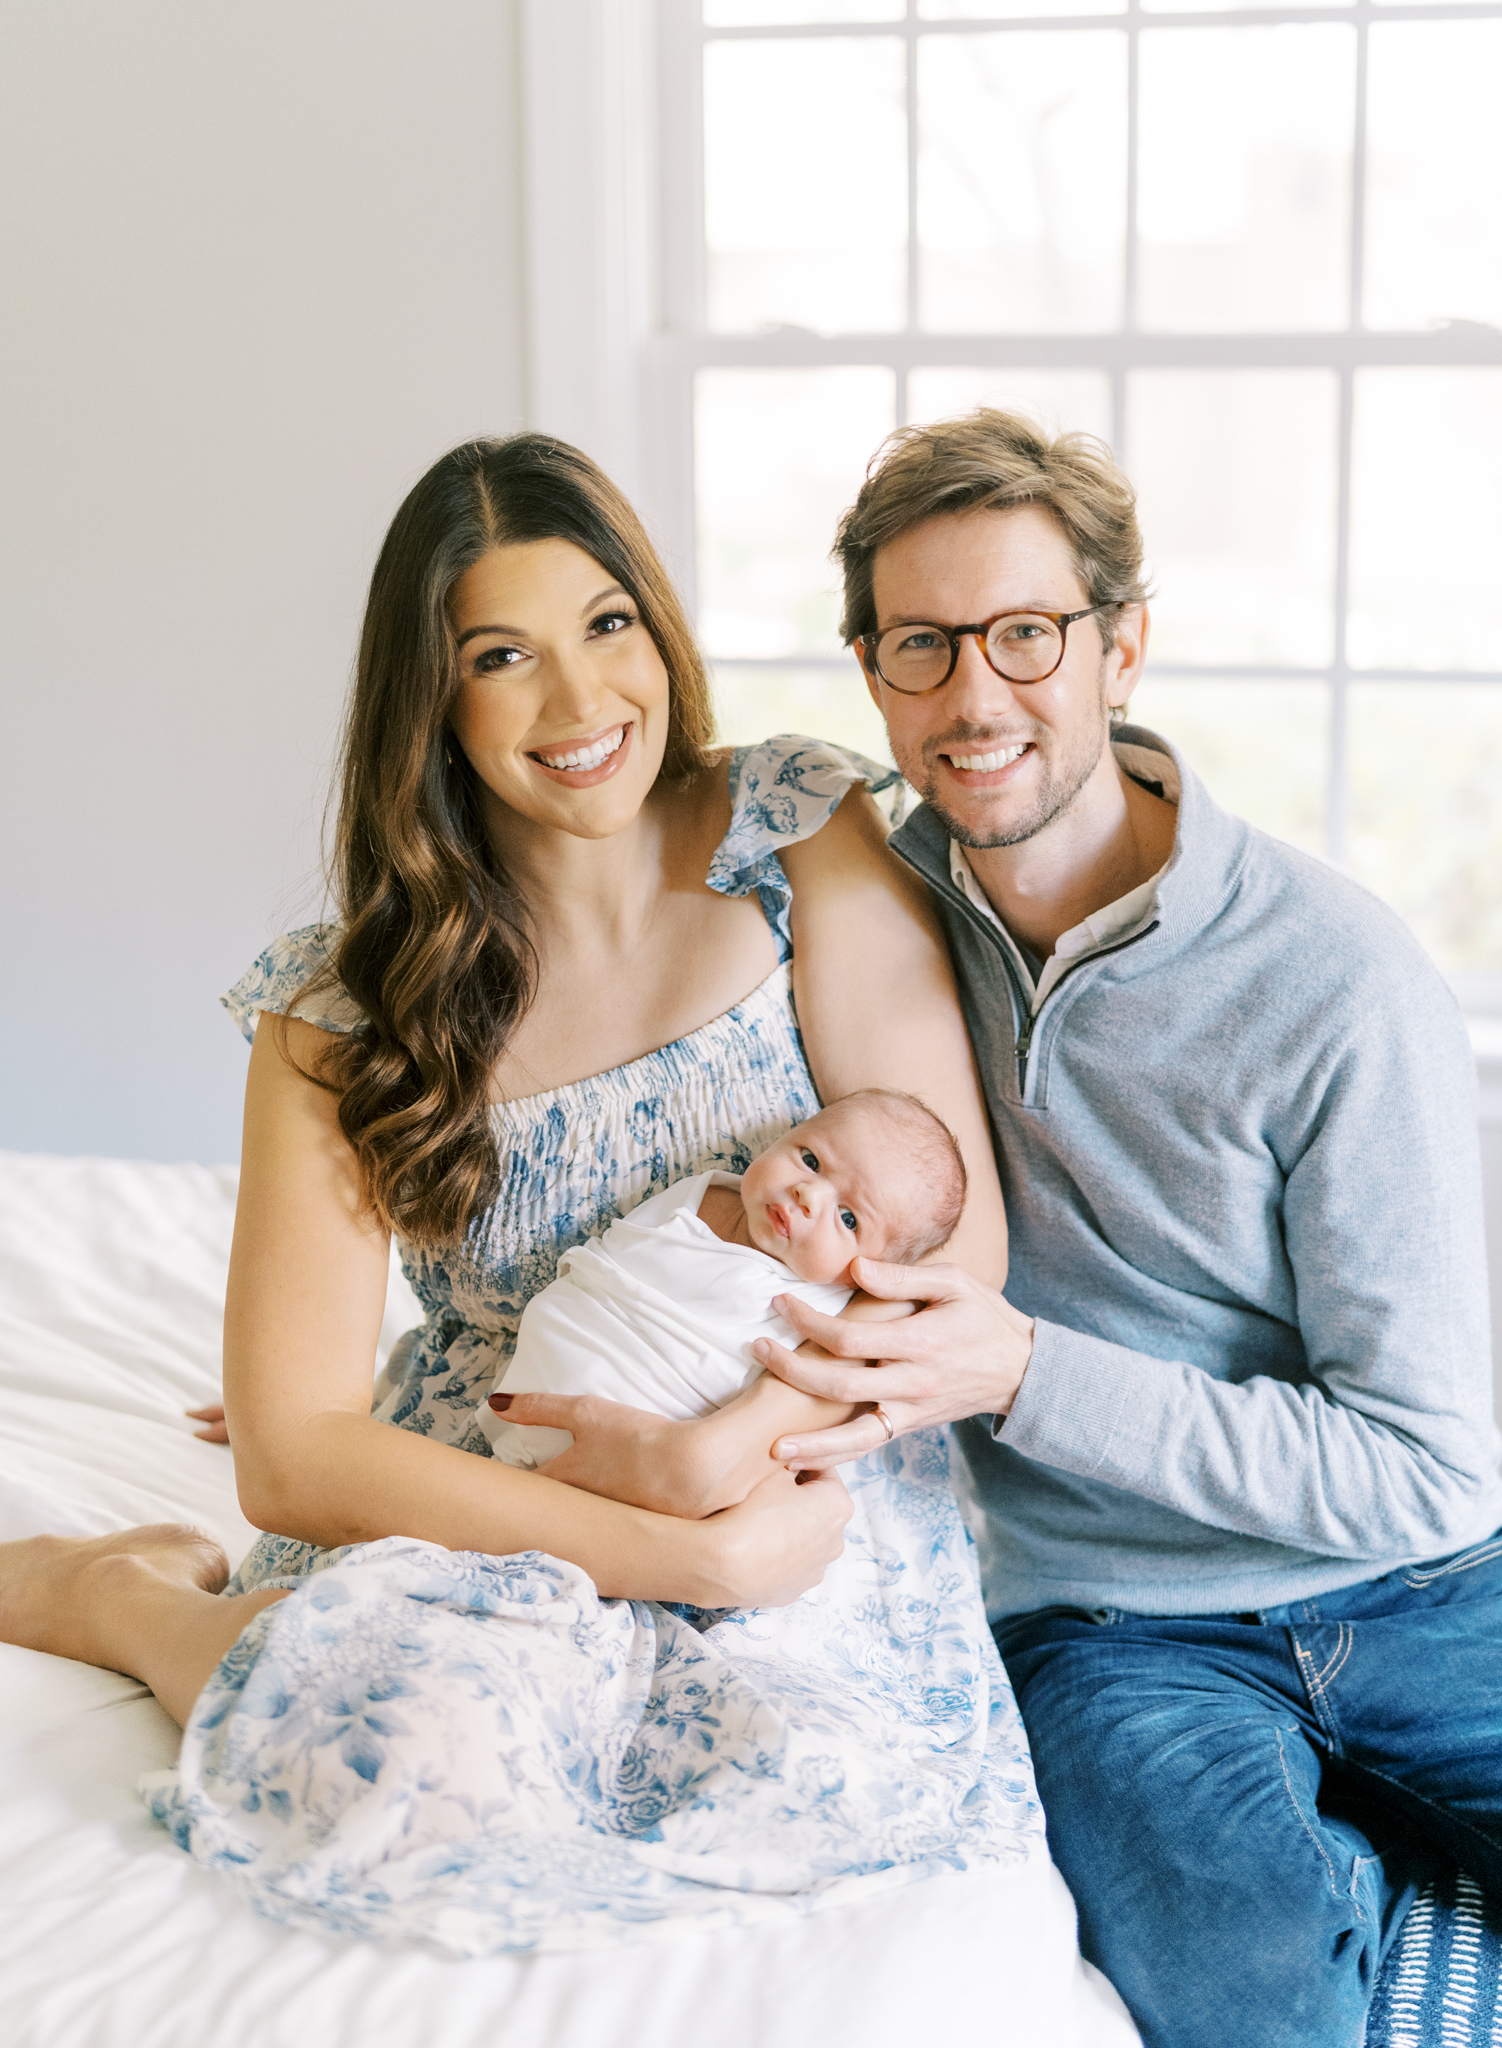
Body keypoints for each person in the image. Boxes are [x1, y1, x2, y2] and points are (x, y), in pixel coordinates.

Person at [0, 434, 1074, 1965]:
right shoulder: (341, 1013)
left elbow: (945, 1250)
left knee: (809, 1783)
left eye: (607, 626)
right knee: (387, 1770)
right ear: (432, 702)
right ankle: (120, 1605)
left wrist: (722, 1467)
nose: (579, 707)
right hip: (506, 1478)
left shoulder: (793, 834)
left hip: (785, 1460)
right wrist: (667, 1549)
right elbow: (295, 1456)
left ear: (658, 626)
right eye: (503, 656)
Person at [752, 408, 1502, 2048]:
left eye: (1026, 634)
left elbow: (1426, 1465)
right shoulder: (865, 930)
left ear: (1122, 646)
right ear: (871, 674)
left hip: (1425, 1578)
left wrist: (1021, 1369)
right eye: (921, 646)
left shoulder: (1335, 975)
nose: (974, 696)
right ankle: (1357, 1892)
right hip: (1108, 1621)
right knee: (1248, 2004)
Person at [484, 1089, 965, 1473]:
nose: (809, 1194)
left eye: (847, 1217)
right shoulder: (700, 1192)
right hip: (527, 1384)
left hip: (640, 1458)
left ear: (878, 1272)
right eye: (811, 1160)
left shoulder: (833, 1312)